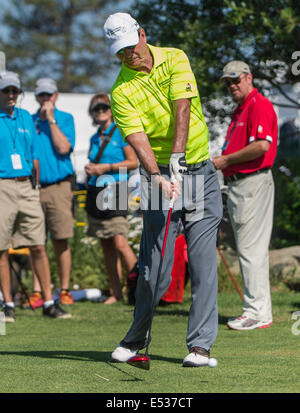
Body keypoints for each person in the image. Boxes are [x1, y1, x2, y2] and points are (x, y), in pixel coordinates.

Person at [103, 12, 223, 367]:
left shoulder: (175, 57)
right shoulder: (121, 90)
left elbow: (182, 107)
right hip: (158, 179)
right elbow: (137, 138)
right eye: (119, 52)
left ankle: (200, 347)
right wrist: (156, 173)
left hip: (198, 173)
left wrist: (178, 157)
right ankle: (136, 338)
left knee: (202, 265)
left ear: (142, 34)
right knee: (155, 266)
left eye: (130, 46)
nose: (128, 55)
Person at [0, 71, 71, 321]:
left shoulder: (25, 118)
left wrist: (36, 185)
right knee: (1, 248)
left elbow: (35, 155)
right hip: (2, 186)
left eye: (14, 91)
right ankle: (7, 303)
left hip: (28, 186)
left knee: (38, 245)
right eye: (6, 90)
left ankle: (49, 302)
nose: (11, 95)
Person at [212, 60, 278, 331]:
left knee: (252, 249)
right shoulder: (241, 109)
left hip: (253, 181)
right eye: (228, 82)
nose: (232, 85)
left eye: (235, 79)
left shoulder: (258, 103)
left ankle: (257, 312)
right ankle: (257, 310)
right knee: (249, 248)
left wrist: (226, 160)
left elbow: (262, 146)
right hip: (240, 183)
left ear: (249, 78)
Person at [25, 78, 76, 308]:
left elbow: (64, 148)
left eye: (49, 95)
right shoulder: (29, 120)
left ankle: (64, 289)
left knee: (60, 239)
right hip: (34, 187)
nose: (45, 99)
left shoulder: (65, 119)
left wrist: (51, 119)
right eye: (41, 96)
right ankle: (39, 291)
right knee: (35, 242)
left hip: (59, 187)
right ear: (36, 97)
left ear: (56, 96)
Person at [85, 93, 139, 305]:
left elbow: (133, 162)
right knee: (106, 244)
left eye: (103, 108)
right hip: (95, 191)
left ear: (111, 110)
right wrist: (91, 169)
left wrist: (106, 168)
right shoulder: (93, 138)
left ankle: (139, 287)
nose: (100, 112)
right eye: (96, 109)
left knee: (120, 242)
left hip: (116, 188)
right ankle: (116, 292)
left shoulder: (119, 133)